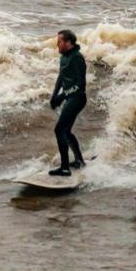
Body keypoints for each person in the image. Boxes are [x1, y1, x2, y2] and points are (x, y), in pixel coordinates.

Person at [48, 29, 87, 176]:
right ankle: (79, 160)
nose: (57, 44)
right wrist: (54, 96)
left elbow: (80, 85)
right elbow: (61, 77)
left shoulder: (77, 58)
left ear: (68, 42)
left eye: (59, 42)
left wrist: (62, 96)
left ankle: (65, 168)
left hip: (77, 98)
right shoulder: (63, 57)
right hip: (70, 97)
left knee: (59, 130)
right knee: (66, 131)